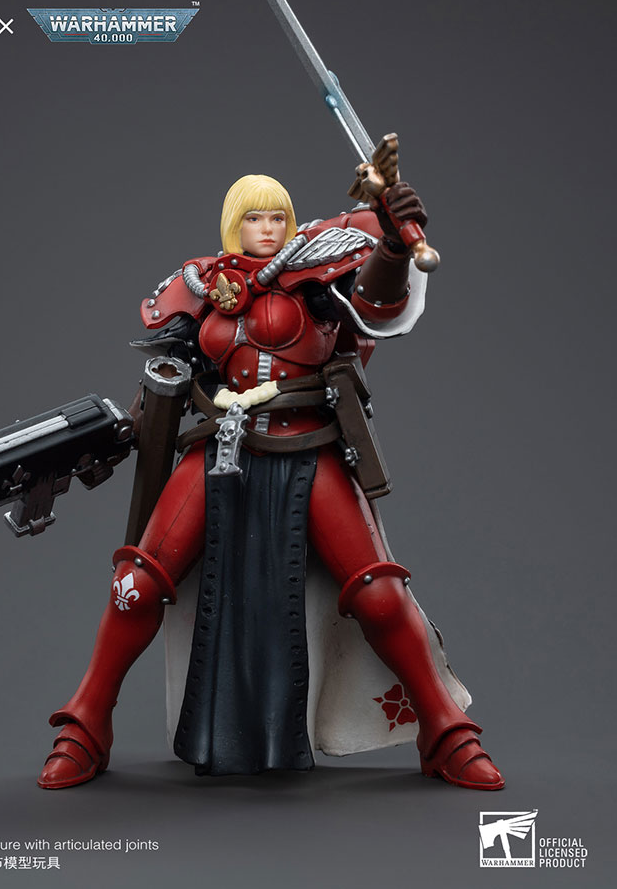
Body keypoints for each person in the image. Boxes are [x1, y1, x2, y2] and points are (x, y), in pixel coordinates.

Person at [37, 172, 504, 790]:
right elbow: (166, 373)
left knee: (380, 593)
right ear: (233, 224)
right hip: (221, 444)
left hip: (310, 444)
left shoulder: (319, 275)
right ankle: (87, 723)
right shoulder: (200, 284)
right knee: (137, 583)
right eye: (254, 218)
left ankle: (445, 730)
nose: (268, 228)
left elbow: (376, 307)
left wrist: (392, 246)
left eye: (278, 216)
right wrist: (112, 437)